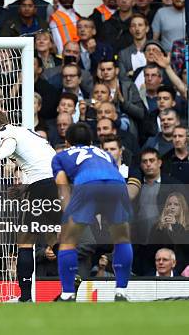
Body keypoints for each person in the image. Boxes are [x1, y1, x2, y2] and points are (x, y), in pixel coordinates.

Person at [0, 110, 59, 302]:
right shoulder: (25, 131)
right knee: (53, 237)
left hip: (41, 184)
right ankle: (73, 277)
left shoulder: (4, 134)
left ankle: (25, 297)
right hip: (57, 183)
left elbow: (9, 145)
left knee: (25, 241)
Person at [51, 122, 132, 301]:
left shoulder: (61, 156)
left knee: (68, 241)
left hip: (87, 183)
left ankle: (67, 293)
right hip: (117, 184)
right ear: (90, 141)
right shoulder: (104, 153)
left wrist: (67, 217)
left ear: (67, 142)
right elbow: (111, 174)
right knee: (122, 239)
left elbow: (62, 186)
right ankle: (121, 292)